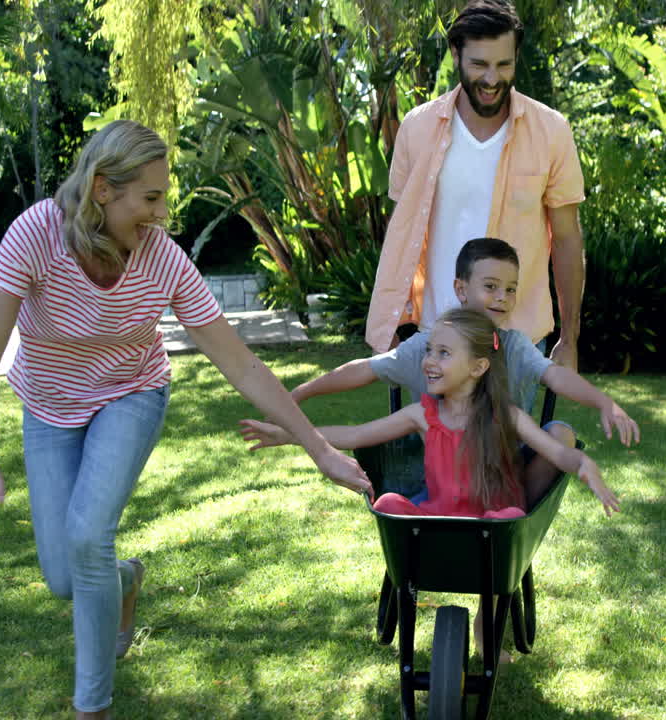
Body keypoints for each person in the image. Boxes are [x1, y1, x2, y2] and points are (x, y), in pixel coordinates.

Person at [0, 119, 372, 720]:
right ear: (103, 189)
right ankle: (124, 583)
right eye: (149, 198)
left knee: (86, 536)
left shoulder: (160, 259)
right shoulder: (36, 237)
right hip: (50, 406)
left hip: (131, 393)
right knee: (64, 577)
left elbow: (242, 364)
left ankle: (91, 707)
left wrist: (320, 451)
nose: (159, 213)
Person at [265, 237, 638, 507]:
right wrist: (296, 407)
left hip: (508, 470)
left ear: (480, 367)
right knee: (392, 503)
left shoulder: (512, 348)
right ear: (461, 288)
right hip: (440, 481)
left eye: (510, 290)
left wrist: (603, 402)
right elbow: (363, 375)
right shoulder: (427, 352)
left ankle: (513, 515)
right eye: (490, 286)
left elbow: (555, 376)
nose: (501, 298)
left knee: (561, 433)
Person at [366, 0, 587, 370]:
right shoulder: (417, 129)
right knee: (434, 431)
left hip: (519, 343)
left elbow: (567, 238)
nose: (491, 79)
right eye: (479, 64)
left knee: (506, 432)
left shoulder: (551, 131)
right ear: (456, 54)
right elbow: (401, 236)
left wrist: (570, 338)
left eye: (504, 64)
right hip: (436, 339)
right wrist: (388, 323)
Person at [241, 307, 621, 521]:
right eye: (429, 351)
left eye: (443, 353)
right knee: (389, 504)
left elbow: (555, 452)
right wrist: (290, 434)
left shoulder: (503, 415)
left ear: (477, 368)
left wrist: (583, 464)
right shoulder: (422, 415)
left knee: (505, 521)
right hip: (436, 519)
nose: (429, 361)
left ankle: (486, 619)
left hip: (493, 521)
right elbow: (355, 435)